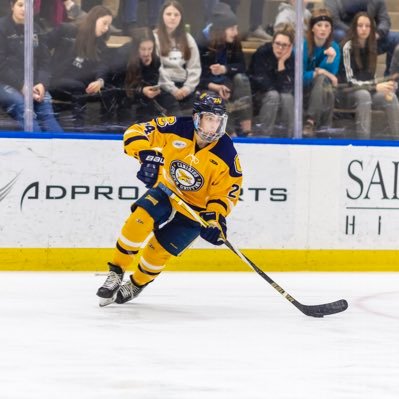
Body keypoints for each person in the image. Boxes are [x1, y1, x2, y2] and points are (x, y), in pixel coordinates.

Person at [96, 91, 243, 306]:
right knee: (139, 220)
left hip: (196, 211)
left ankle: (136, 284)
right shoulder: (177, 127)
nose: (213, 126)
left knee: (158, 251)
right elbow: (136, 131)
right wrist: (145, 155)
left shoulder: (227, 154)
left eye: (217, 121)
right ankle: (116, 272)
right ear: (197, 118)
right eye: (209, 119)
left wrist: (215, 220)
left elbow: (226, 193)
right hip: (167, 191)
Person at [0, 0, 63, 132]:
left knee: (46, 110)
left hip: (33, 83)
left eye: (27, 6)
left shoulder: (36, 29)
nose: (24, 9)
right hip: (6, 83)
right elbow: (2, 65)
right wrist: (21, 85)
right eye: (20, 5)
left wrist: (41, 83)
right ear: (12, 6)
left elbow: (45, 62)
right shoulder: (2, 27)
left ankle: (61, 148)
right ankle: (36, 150)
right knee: (23, 108)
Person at [47, 5, 113, 128]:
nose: (106, 28)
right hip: (55, 80)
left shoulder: (100, 44)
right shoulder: (67, 30)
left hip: (79, 86)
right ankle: (79, 128)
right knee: (78, 87)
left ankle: (106, 128)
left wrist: (100, 81)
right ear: (94, 19)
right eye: (104, 23)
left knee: (110, 91)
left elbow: (103, 65)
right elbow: (44, 45)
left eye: (108, 25)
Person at [337, 12, 399, 138]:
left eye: (367, 26)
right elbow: (350, 82)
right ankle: (364, 143)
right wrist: (374, 87)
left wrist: (383, 86)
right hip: (346, 93)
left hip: (367, 90)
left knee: (390, 96)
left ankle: (396, 141)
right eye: (360, 26)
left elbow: (370, 77)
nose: (364, 29)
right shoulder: (346, 47)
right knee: (364, 95)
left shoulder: (372, 46)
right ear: (354, 28)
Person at [104, 27, 178, 128]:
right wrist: (140, 91)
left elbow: (151, 83)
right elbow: (114, 87)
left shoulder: (154, 60)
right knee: (127, 111)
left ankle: (178, 128)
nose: (147, 53)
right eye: (143, 49)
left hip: (140, 95)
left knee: (169, 100)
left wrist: (148, 67)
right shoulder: (122, 56)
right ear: (136, 48)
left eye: (150, 49)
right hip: (121, 96)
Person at [198, 2, 253, 136]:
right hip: (207, 87)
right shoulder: (202, 41)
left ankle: (248, 130)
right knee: (215, 98)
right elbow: (197, 76)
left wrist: (225, 69)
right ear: (222, 29)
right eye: (232, 28)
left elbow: (241, 67)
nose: (236, 32)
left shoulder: (234, 41)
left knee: (242, 79)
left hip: (227, 83)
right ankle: (230, 134)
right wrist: (216, 87)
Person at [325, 0, 399, 75]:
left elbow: (385, 21)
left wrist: (377, 33)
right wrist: (354, 32)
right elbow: (334, 21)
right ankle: (343, 72)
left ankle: (391, 78)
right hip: (346, 36)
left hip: (371, 37)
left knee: (396, 38)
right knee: (339, 34)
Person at [153, 0, 201, 115]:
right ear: (162, 16)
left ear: (181, 18)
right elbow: (157, 69)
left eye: (176, 15)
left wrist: (187, 88)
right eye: (168, 14)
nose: (172, 18)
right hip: (163, 87)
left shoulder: (188, 38)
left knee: (197, 114)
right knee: (177, 116)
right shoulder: (154, 37)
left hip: (184, 86)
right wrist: (172, 89)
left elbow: (195, 67)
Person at [248, 23, 295, 137]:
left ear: (290, 47)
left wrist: (281, 63)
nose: (280, 48)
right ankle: (264, 135)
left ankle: (288, 136)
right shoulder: (262, 53)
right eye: (277, 44)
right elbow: (264, 84)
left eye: (284, 45)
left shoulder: (291, 58)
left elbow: (287, 88)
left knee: (287, 97)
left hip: (278, 95)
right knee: (273, 95)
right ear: (272, 42)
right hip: (258, 95)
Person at [303, 8, 340, 137]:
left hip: (324, 91)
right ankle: (321, 126)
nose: (323, 29)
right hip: (304, 90)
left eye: (326, 26)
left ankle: (311, 122)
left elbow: (330, 77)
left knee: (323, 82)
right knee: (321, 80)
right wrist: (317, 73)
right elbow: (299, 76)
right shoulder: (304, 45)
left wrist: (327, 63)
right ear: (312, 28)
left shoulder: (334, 47)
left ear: (330, 30)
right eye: (319, 25)